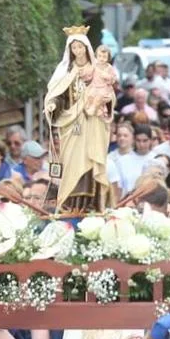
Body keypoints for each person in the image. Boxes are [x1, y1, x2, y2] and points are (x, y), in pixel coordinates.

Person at [44, 29, 116, 211]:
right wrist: (54, 105)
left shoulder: (97, 69)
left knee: (93, 161)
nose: (77, 51)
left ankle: (93, 204)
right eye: (74, 47)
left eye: (80, 47)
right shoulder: (65, 72)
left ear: (86, 48)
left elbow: (109, 92)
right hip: (71, 124)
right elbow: (58, 94)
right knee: (71, 163)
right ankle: (69, 204)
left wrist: (105, 101)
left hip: (93, 122)